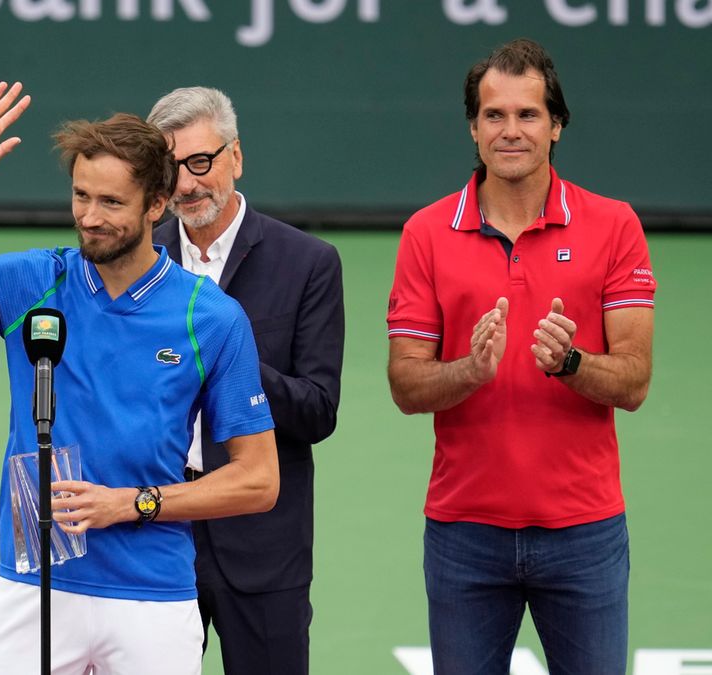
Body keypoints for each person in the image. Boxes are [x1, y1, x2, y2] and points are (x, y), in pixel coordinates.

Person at [0, 82, 279, 674]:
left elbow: (259, 480)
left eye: (111, 202)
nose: (89, 216)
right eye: (81, 196)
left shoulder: (209, 317)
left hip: (153, 597)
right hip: (33, 582)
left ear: (156, 204)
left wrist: (131, 503)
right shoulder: (31, 281)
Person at [386, 39, 656, 674]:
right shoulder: (425, 233)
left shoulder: (615, 225)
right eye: (494, 115)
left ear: (556, 125)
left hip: (584, 532)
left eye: (528, 115)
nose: (511, 131)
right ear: (473, 128)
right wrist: (468, 371)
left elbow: (636, 380)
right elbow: (405, 384)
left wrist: (572, 364)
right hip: (463, 536)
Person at [148, 86, 344, 674]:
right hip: (152, 534)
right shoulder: (135, 259)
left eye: (202, 162)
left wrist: (233, 360)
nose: (187, 184)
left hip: (263, 546)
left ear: (237, 156)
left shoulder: (307, 263)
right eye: (171, 167)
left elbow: (317, 411)